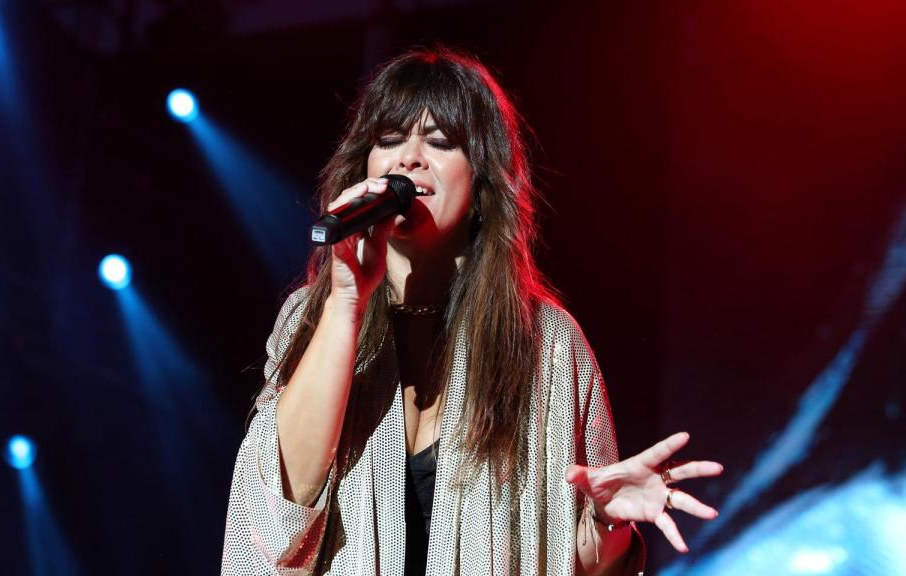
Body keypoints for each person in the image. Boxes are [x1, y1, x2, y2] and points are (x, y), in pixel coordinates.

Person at [220, 47, 723, 576]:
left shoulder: (545, 343)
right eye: (389, 140)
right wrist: (346, 300)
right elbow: (280, 509)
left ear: (482, 183)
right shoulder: (311, 316)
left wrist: (608, 521)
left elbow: (585, 564)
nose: (407, 158)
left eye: (439, 142)